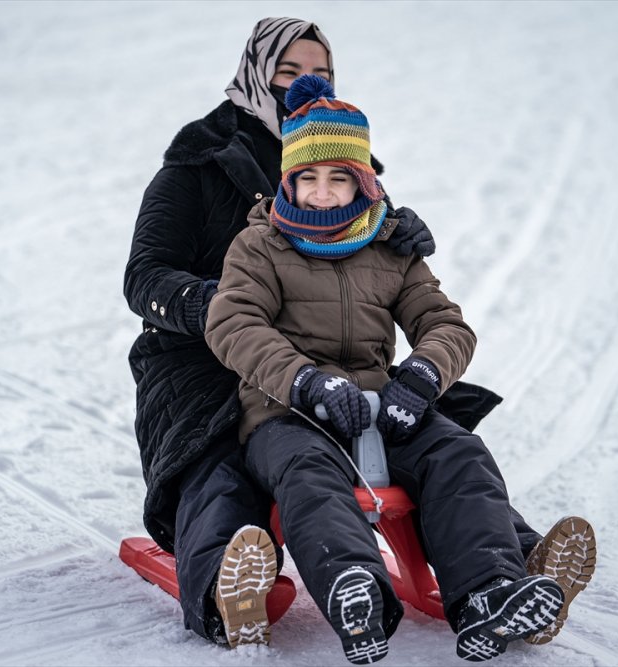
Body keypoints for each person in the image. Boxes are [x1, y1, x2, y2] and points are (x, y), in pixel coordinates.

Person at [204, 75, 597, 664]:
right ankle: (355, 592)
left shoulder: (391, 248)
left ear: (363, 181)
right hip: (288, 415)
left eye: (338, 178)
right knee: (312, 477)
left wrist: (421, 377)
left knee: (458, 454)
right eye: (307, 177)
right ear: (288, 180)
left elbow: (447, 325)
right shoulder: (259, 247)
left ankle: (488, 593)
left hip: (383, 408)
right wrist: (304, 380)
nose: (321, 193)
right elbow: (233, 325)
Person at [123, 17, 440, 649]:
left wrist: (397, 232)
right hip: (203, 357)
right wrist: (224, 306)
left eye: (318, 73)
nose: (305, 84)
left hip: (327, 356)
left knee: (428, 437)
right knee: (218, 453)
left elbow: (370, 271)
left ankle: (507, 558)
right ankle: (226, 584)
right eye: (288, 71)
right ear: (258, 73)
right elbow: (144, 276)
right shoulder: (199, 159)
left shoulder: (341, 151)